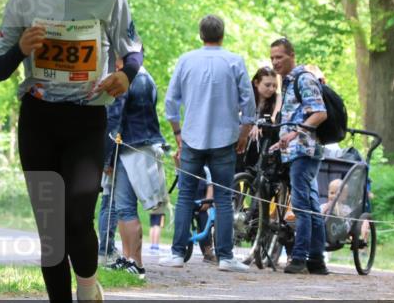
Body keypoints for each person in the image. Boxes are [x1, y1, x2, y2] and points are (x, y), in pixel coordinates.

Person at [0, 0, 143, 303]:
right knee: (51, 236)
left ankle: (90, 300)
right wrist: (23, 48)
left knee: (78, 214)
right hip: (38, 118)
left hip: (85, 118)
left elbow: (132, 50)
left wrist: (123, 75)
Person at [160, 15, 255, 272]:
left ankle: (178, 253)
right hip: (225, 138)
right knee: (224, 197)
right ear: (222, 35)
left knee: (186, 195)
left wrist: (178, 132)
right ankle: (225, 257)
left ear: (201, 35)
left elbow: (171, 102)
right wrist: (244, 133)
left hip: (192, 137)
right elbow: (248, 102)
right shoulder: (235, 61)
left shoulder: (186, 60)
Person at [269, 37, 329, 275]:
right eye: (272, 58)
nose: (275, 62)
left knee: (302, 205)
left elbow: (319, 113)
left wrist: (294, 134)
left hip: (305, 150)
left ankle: (299, 257)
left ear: (291, 55)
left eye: (279, 57)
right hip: (294, 150)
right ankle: (316, 259)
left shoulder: (303, 79)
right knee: (311, 203)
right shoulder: (287, 81)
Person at [104, 60, 168, 279]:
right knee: (124, 208)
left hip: (131, 149)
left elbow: (115, 121)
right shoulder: (147, 77)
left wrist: (107, 159)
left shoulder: (127, 79)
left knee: (127, 208)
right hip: (142, 146)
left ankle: (137, 263)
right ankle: (127, 258)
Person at [237, 66, 281, 173]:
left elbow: (274, 118)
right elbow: (238, 114)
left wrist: (259, 125)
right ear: (256, 83)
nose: (272, 89)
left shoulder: (277, 98)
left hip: (266, 137)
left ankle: (253, 169)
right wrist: (251, 126)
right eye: (267, 85)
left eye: (274, 86)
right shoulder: (246, 96)